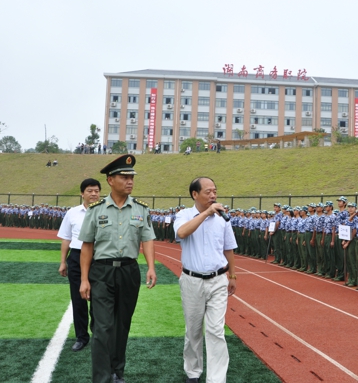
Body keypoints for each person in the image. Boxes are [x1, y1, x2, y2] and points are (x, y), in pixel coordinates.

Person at [78, 154, 156, 383]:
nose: (130, 181)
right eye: (124, 176)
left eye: (132, 177)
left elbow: (148, 239)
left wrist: (151, 267)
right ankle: (102, 378)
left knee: (122, 326)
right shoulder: (96, 209)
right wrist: (84, 279)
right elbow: (87, 246)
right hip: (102, 273)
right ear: (111, 180)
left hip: (129, 272)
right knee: (102, 327)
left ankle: (116, 372)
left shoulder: (141, 209)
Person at [174, 177, 237, 383]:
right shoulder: (183, 215)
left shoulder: (223, 219)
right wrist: (206, 213)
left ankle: (216, 379)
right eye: (208, 192)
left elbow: (228, 248)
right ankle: (193, 372)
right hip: (192, 280)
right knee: (193, 330)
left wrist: (233, 274)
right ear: (195, 194)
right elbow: (182, 233)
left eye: (215, 191)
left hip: (218, 280)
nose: (213, 195)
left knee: (216, 330)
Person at [57, 178, 101, 352]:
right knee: (78, 299)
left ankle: (98, 335)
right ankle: (82, 337)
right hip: (76, 257)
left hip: (99, 258)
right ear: (82, 193)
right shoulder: (72, 213)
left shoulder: (105, 211)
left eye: (96, 190)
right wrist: (63, 261)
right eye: (90, 190)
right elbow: (66, 238)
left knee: (99, 300)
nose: (93, 194)